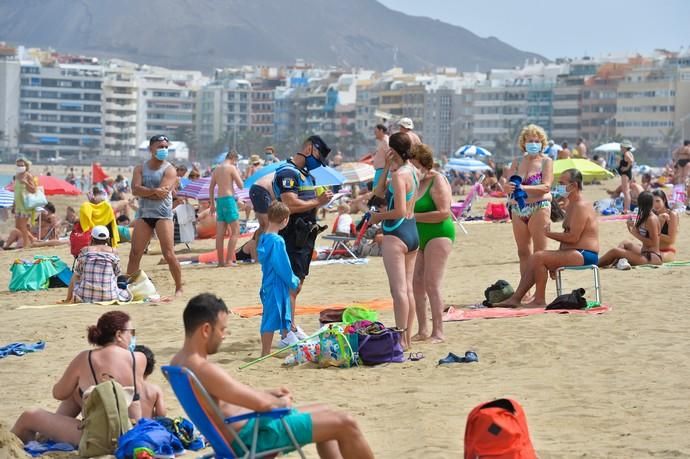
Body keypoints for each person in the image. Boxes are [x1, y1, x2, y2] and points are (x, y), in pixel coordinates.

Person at [170, 293, 374, 458]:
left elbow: (223, 402)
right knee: (346, 423)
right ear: (206, 329)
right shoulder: (204, 369)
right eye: (222, 330)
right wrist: (280, 402)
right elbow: (265, 406)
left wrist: (268, 394)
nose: (224, 336)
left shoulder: (178, 364)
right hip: (252, 437)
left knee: (326, 412)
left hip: (239, 431)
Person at [11, 311, 145, 446]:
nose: (132, 337)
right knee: (77, 393)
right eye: (131, 332)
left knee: (29, 416)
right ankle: (44, 437)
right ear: (119, 335)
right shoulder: (139, 358)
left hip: (100, 439)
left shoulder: (86, 358)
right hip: (133, 434)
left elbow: (59, 393)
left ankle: (19, 449)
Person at [495, 169, 599, 307]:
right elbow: (569, 237)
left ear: (574, 186)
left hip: (585, 254)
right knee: (537, 258)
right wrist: (556, 259)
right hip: (574, 252)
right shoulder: (570, 205)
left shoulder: (580, 206)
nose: (559, 186)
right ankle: (518, 298)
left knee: (538, 257)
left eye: (562, 183)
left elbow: (573, 237)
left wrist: (549, 235)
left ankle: (536, 299)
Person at [272, 135, 333, 337]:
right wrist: (318, 201)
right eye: (317, 156)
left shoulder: (306, 174)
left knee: (297, 282)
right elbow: (289, 204)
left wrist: (321, 200)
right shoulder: (288, 172)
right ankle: (285, 332)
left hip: (305, 234)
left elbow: (307, 200)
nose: (319, 163)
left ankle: (291, 325)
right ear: (308, 149)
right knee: (290, 283)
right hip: (292, 234)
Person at [370, 132, 419, 350]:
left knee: (398, 290)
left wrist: (378, 217)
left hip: (396, 233)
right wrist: (388, 166)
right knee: (407, 289)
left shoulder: (400, 176)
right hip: (412, 232)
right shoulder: (413, 171)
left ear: (392, 149)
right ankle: (406, 339)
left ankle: (401, 339)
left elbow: (398, 210)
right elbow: (378, 191)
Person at [500, 124, 553, 299]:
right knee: (523, 252)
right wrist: (507, 187)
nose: (533, 144)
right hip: (518, 208)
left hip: (539, 206)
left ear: (542, 143)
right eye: (530, 140)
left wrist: (523, 187)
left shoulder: (546, 161)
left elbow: (546, 186)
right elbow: (507, 186)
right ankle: (525, 292)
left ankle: (540, 293)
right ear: (524, 142)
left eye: (537, 141)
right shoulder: (516, 163)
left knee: (539, 253)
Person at [409, 144, 454, 344]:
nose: (411, 167)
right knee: (416, 283)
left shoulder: (437, 179)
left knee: (432, 283)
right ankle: (423, 329)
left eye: (414, 164)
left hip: (439, 233)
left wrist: (413, 216)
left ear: (423, 163)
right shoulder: (413, 182)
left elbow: (444, 212)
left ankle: (439, 331)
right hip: (419, 236)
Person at [127, 134, 183, 296]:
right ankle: (129, 287)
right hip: (144, 214)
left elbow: (163, 193)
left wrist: (146, 192)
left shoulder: (169, 169)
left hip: (162, 215)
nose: (163, 149)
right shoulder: (140, 168)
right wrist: (152, 191)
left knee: (168, 253)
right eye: (160, 146)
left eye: (166, 147)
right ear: (151, 148)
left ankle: (179, 286)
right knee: (135, 253)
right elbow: (135, 189)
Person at [256, 202, 301, 355]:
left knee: (281, 312)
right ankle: (265, 352)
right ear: (285, 220)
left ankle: (287, 336)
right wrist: (293, 280)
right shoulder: (277, 241)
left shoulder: (263, 237)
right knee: (270, 318)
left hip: (268, 282)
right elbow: (282, 265)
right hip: (276, 284)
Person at [65, 226, 132, 303]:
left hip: (85, 296)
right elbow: (117, 273)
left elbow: (77, 274)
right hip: (110, 296)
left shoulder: (85, 250)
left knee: (76, 274)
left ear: (92, 238)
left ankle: (68, 298)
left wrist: (68, 298)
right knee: (124, 289)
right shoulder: (113, 251)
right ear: (107, 239)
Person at [598, 191, 663, 269]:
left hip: (651, 257)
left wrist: (635, 234)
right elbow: (644, 234)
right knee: (625, 243)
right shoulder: (645, 216)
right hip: (645, 253)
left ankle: (595, 264)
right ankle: (619, 262)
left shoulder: (651, 219)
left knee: (615, 251)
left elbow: (653, 242)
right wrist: (632, 227)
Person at [209, 151, 244, 267]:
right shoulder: (231, 168)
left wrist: (212, 204)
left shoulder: (217, 169)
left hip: (219, 201)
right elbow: (241, 186)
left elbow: (211, 187)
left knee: (220, 234)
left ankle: (220, 262)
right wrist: (238, 173)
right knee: (235, 231)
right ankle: (229, 260)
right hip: (229, 200)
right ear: (234, 158)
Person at [133, 345, 167, 418]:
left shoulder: (126, 387)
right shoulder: (155, 390)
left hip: (131, 427)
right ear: (150, 369)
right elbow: (162, 414)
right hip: (148, 427)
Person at [13, 157, 38, 249]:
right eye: (18, 165)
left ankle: (26, 245)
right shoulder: (16, 175)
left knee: (23, 225)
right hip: (18, 205)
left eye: (22, 165)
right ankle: (33, 239)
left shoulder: (28, 176)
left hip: (26, 205)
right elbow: (16, 191)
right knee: (18, 226)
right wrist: (13, 204)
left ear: (26, 166)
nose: (20, 167)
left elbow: (34, 190)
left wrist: (26, 183)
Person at [652, 189, 679, 262]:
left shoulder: (672, 215)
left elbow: (671, 239)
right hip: (652, 250)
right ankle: (619, 261)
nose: (655, 205)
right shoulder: (653, 214)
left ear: (664, 200)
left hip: (667, 251)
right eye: (652, 202)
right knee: (625, 244)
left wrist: (654, 233)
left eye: (657, 201)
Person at [617, 140, 635, 214]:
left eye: (621, 146)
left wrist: (626, 168)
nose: (620, 148)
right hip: (628, 174)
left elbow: (631, 161)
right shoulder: (629, 153)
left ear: (624, 147)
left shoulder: (626, 153)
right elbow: (632, 161)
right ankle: (627, 208)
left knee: (626, 192)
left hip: (625, 174)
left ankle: (626, 209)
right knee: (626, 192)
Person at [372, 124, 390, 188]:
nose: (375, 133)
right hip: (381, 170)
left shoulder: (385, 141)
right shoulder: (383, 141)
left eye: (376, 132)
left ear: (381, 131)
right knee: (376, 190)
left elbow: (390, 154)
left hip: (382, 170)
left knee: (376, 190)